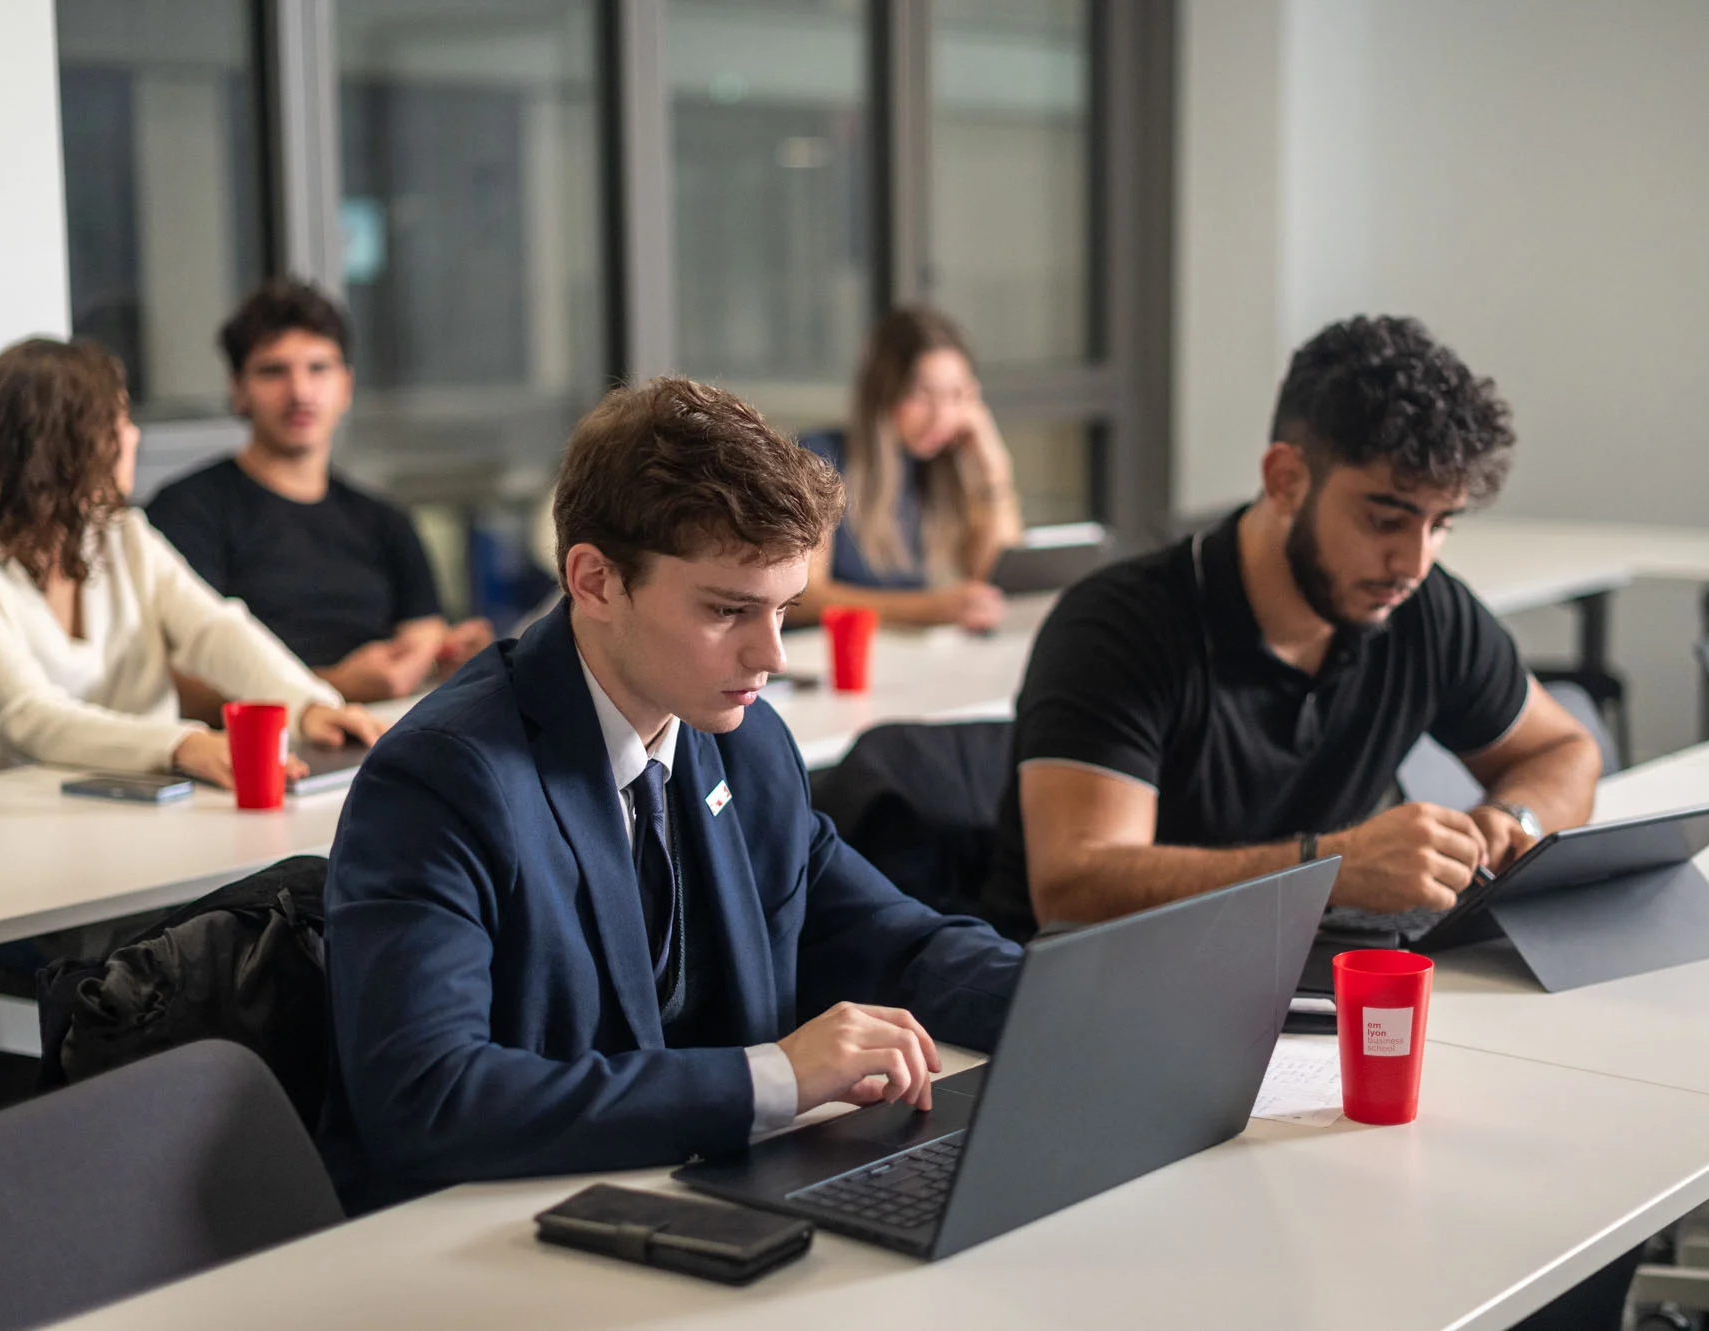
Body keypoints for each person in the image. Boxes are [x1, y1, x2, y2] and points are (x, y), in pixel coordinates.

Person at [318, 376, 1025, 1212]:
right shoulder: (443, 778)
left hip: (697, 1200)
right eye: (730, 610)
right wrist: (776, 1077)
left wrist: (1083, 1008)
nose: (774, 656)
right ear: (594, 581)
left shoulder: (746, 740)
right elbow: (429, 1096)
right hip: (496, 1241)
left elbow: (895, 942)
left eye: (784, 609)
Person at [979, 315, 1603, 943]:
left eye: (1441, 525)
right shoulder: (1118, 627)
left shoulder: (1421, 607)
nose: (1414, 563)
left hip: (1293, 977)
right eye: (1385, 518)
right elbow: (1074, 887)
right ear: (1285, 480)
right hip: (1088, 994)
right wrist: (1330, 869)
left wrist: (1512, 819)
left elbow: (1565, 752)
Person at [0, 338, 385, 785]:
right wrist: (184, 744)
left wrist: (307, 705)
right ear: (61, 445)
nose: (133, 435)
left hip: (144, 808)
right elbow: (27, 716)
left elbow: (213, 630)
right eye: (117, 420)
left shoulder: (122, 536)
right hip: (9, 831)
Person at [145, 279, 495, 704]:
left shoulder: (385, 521)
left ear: (346, 386)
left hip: (388, 734)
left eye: (318, 368)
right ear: (238, 391)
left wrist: (448, 659)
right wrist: (332, 687)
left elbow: (422, 634)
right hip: (259, 751)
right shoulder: (187, 511)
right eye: (273, 371)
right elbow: (174, 683)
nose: (300, 392)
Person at [795, 306, 1023, 631]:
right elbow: (803, 597)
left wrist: (995, 467)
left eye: (956, 395)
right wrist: (930, 608)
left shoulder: (934, 466)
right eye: (922, 394)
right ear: (883, 393)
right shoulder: (819, 460)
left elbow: (991, 572)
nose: (941, 417)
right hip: (825, 658)